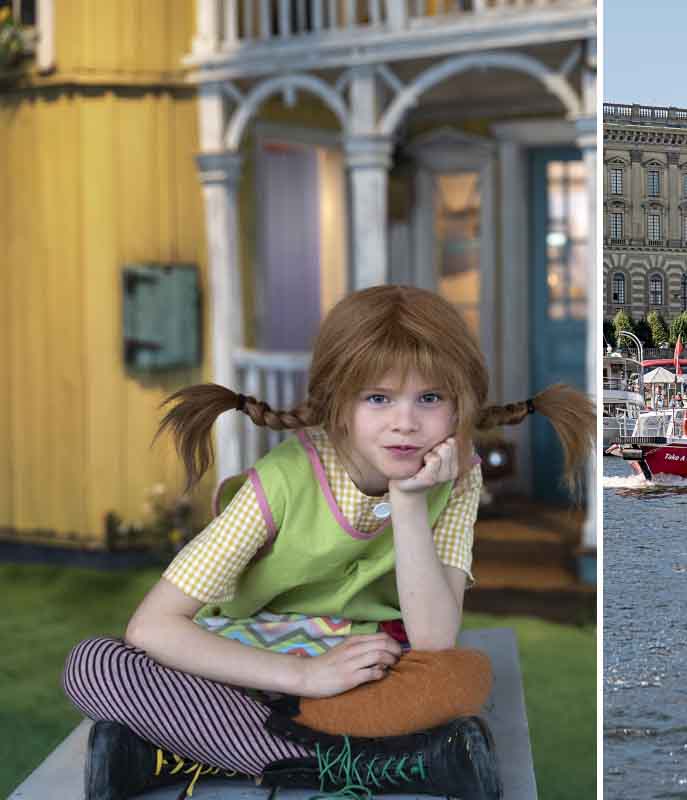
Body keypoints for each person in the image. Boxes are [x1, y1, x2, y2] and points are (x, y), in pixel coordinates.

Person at [62, 286, 594, 799]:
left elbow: (434, 638)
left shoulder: (458, 477)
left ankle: (189, 749)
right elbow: (152, 625)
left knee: (464, 675)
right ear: (339, 404)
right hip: (246, 666)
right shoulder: (281, 481)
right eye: (378, 398)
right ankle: (370, 765)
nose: (405, 423)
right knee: (95, 665)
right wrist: (304, 675)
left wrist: (408, 503)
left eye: (429, 397)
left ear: (461, 408)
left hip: (364, 667)